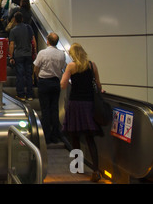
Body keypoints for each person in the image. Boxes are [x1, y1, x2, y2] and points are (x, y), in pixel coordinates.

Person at [60, 43, 104, 182]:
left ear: (73, 54)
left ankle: (77, 166)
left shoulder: (71, 66)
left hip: (76, 104)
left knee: (75, 136)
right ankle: (96, 170)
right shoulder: (92, 65)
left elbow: (63, 84)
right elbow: (98, 84)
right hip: (89, 104)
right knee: (90, 138)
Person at [33, 32, 66, 144]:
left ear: (48, 41)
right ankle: (55, 135)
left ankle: (46, 136)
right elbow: (62, 67)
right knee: (54, 109)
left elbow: (36, 67)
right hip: (56, 83)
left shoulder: (43, 53)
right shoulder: (62, 54)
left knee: (45, 109)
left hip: (44, 82)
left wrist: (37, 77)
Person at [8, 12, 37, 101]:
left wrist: (11, 56)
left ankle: (21, 94)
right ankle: (30, 94)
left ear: (15, 20)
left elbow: (12, 44)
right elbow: (33, 40)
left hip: (19, 55)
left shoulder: (13, 30)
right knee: (28, 74)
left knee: (20, 75)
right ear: (22, 19)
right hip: (28, 54)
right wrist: (34, 51)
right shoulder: (28, 27)